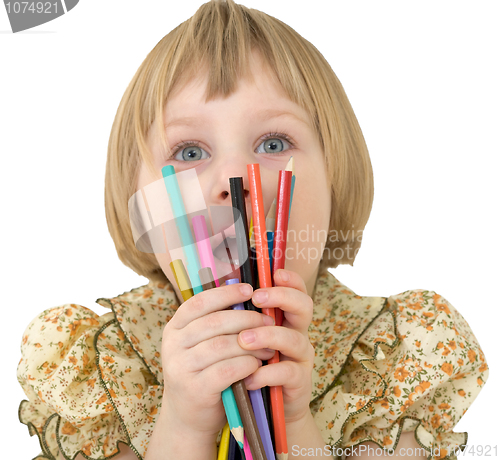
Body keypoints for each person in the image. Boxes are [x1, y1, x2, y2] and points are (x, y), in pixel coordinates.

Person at [17, 1, 488, 459]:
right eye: (189, 153)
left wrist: (296, 423)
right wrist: (182, 427)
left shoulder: (397, 353)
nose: (233, 182)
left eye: (274, 142)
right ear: (140, 207)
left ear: (335, 176)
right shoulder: (103, 364)